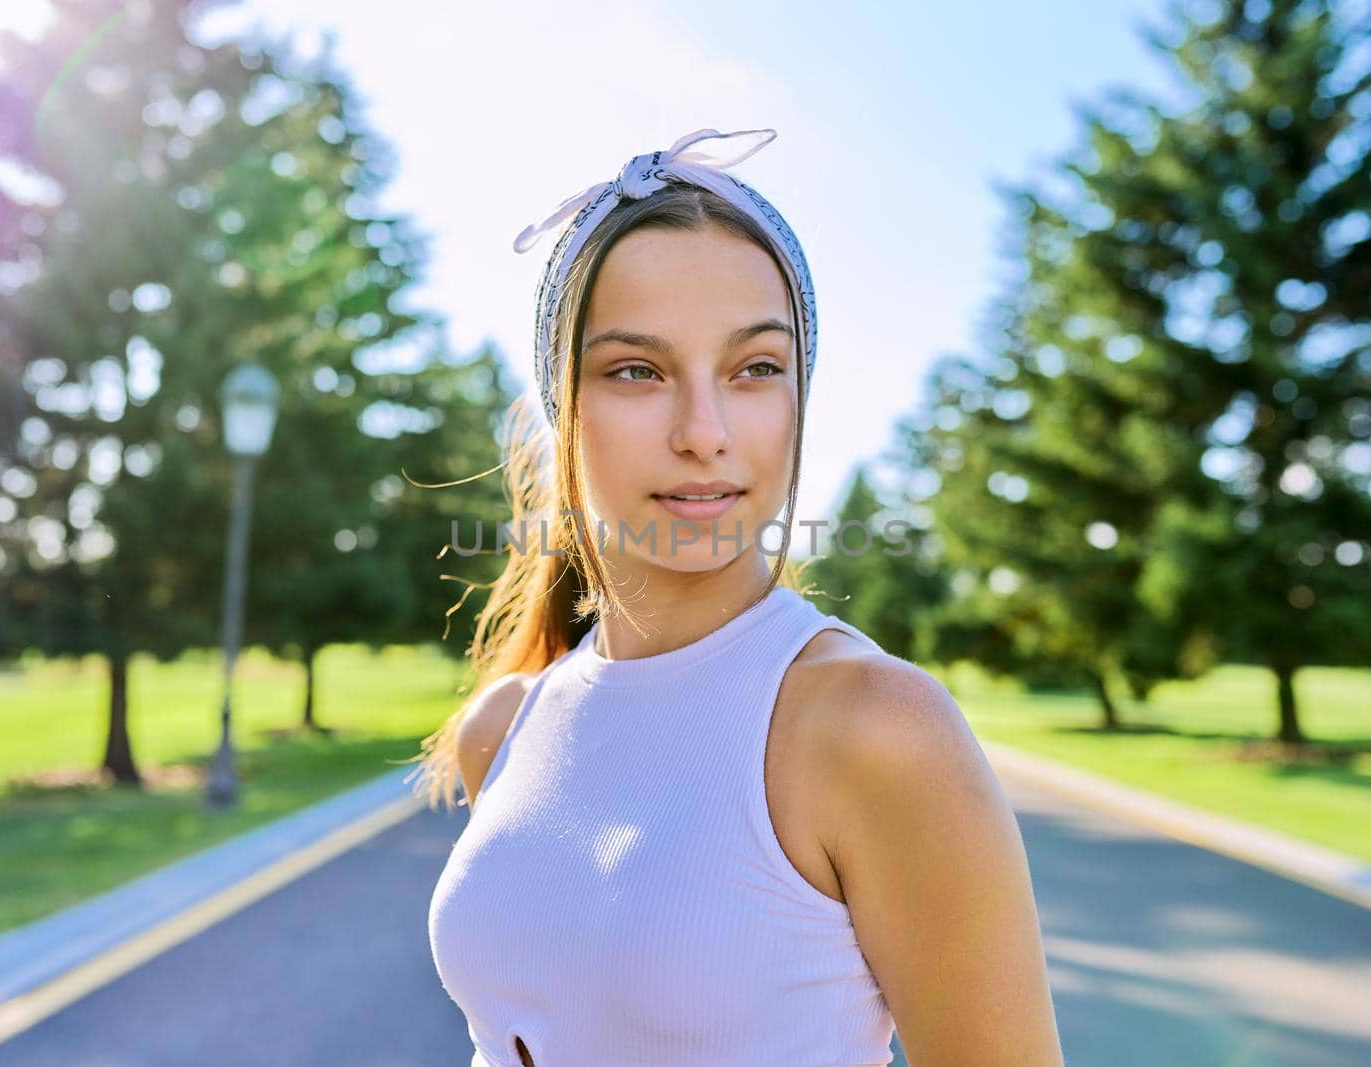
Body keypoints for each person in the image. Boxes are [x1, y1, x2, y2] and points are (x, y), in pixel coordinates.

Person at [408, 128, 1064, 1067]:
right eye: (637, 370)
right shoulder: (503, 727)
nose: (705, 432)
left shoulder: (876, 726)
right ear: (565, 403)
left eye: (756, 368)